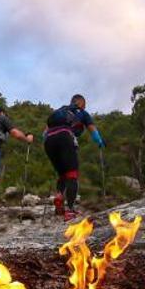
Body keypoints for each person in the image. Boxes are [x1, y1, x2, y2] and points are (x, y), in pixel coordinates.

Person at [43, 94, 105, 222]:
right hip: (65, 136)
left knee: (62, 174)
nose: (85, 106)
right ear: (80, 102)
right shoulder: (81, 112)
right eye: (85, 104)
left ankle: (59, 197)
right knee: (72, 175)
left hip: (49, 141)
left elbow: (44, 132)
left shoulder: (60, 111)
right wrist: (98, 140)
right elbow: (91, 128)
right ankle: (70, 211)